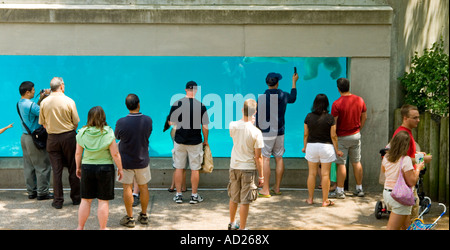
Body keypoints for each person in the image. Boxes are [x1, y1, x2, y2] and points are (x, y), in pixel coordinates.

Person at [75, 106, 124, 230]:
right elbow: (115, 154)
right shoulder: (108, 132)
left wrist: (78, 167)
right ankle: (103, 228)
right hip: (105, 169)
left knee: (86, 200)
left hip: (87, 168)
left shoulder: (82, 132)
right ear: (103, 117)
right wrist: (120, 168)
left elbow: (78, 153)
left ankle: (80, 227)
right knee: (103, 201)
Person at [39, 77, 81, 209]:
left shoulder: (44, 102)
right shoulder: (69, 101)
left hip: (52, 138)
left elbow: (43, 123)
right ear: (62, 86)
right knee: (73, 168)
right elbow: (75, 122)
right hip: (68, 137)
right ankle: (76, 198)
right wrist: (69, 132)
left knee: (56, 171)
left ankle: (57, 201)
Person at [256, 72, 299, 197]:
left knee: (266, 158)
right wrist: (294, 82)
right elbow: (293, 98)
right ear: (277, 83)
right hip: (280, 131)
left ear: (267, 83)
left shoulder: (262, 98)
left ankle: (265, 189)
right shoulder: (283, 95)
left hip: (267, 132)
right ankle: (277, 187)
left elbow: (259, 118)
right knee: (279, 158)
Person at [168, 81, 209, 204]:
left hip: (179, 141)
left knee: (179, 168)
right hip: (195, 142)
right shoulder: (201, 106)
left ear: (186, 90)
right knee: (195, 169)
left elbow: (171, 122)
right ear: (196, 91)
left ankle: (179, 195)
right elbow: (205, 126)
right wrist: (206, 141)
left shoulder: (177, 103)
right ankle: (194, 196)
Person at [115, 94, 153, 228]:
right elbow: (148, 134)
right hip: (142, 160)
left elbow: (117, 136)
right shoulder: (148, 120)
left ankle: (130, 218)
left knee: (127, 187)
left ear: (126, 106)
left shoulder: (121, 122)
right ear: (139, 104)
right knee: (143, 187)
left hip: (126, 161)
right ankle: (143, 215)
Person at [228, 99, 264, 230]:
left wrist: (248, 122)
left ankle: (232, 223)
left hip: (234, 166)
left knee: (234, 197)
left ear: (242, 110)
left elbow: (237, 131)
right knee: (245, 200)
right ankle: (242, 228)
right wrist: (261, 176)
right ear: (255, 112)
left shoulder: (233, 125)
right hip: (248, 169)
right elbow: (258, 157)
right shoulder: (256, 132)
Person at [302, 94, 343, 207]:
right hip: (326, 147)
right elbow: (333, 136)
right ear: (326, 104)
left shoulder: (308, 116)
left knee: (312, 173)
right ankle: (325, 201)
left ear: (315, 104)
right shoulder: (330, 118)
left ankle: (310, 199)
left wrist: (304, 147)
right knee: (325, 175)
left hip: (311, 147)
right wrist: (337, 150)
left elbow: (306, 134)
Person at [392, 104, 432, 220]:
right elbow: (400, 159)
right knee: (412, 212)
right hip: (406, 181)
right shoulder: (402, 134)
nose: (418, 120)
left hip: (408, 179)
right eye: (414, 118)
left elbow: (407, 155)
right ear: (405, 118)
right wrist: (423, 160)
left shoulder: (407, 132)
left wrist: (419, 155)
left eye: (418, 117)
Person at [330, 78, 367, 199]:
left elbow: (333, 123)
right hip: (356, 135)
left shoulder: (337, 103)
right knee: (356, 162)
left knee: (341, 164)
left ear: (338, 88)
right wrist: (358, 129)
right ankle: (359, 188)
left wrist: (333, 137)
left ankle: (340, 191)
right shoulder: (359, 100)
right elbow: (364, 117)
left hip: (342, 137)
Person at [381, 131, 425, 230]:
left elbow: (384, 170)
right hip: (399, 197)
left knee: (407, 226)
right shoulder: (405, 160)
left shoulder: (386, 157)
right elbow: (412, 181)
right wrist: (418, 168)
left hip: (388, 194)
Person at [17, 81, 53, 200]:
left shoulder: (20, 103)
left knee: (29, 166)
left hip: (25, 137)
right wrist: (48, 97)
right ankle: (42, 192)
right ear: (27, 92)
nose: (34, 92)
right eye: (33, 90)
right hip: (34, 138)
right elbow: (44, 113)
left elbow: (34, 111)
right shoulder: (30, 105)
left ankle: (32, 191)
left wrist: (41, 99)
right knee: (42, 165)